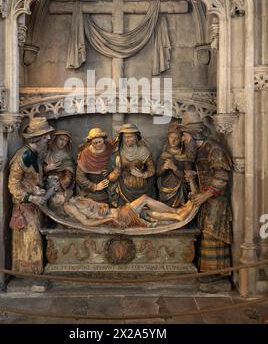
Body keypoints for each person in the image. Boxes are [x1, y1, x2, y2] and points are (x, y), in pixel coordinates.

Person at [180, 111, 233, 282]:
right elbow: (195, 170)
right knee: (204, 232)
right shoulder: (197, 150)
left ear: (195, 136)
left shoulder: (214, 149)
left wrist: (205, 195)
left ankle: (216, 273)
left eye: (185, 136)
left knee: (213, 233)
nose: (183, 140)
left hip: (216, 201)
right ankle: (207, 271)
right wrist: (194, 188)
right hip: (205, 199)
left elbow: (221, 177)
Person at [8, 117, 54, 274]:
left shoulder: (35, 154)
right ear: (37, 138)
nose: (48, 138)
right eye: (45, 135)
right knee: (29, 241)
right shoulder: (23, 156)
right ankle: (26, 273)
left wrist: (37, 188)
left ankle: (35, 272)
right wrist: (31, 196)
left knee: (36, 240)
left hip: (35, 206)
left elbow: (32, 177)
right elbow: (13, 185)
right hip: (24, 207)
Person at [63, 193, 194, 229]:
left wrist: (103, 205)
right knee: (144, 199)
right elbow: (85, 222)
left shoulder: (78, 198)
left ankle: (178, 217)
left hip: (119, 212)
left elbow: (99, 205)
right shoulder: (69, 206)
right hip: (120, 218)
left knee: (146, 212)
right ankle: (176, 211)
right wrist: (109, 219)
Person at [111, 123, 156, 205]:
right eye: (124, 137)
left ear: (136, 137)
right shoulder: (118, 152)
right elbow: (110, 177)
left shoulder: (143, 151)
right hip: (123, 188)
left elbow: (152, 169)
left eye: (130, 137)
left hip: (142, 188)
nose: (126, 140)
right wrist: (117, 171)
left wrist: (143, 175)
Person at [76, 128, 119, 203]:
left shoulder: (110, 148)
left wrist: (112, 175)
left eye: (100, 141)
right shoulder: (85, 154)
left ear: (103, 140)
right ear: (91, 143)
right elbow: (80, 177)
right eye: (95, 143)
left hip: (110, 185)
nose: (98, 144)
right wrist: (95, 186)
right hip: (91, 188)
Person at [157, 121, 191, 208]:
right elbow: (157, 173)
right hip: (164, 188)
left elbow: (187, 177)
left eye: (177, 138)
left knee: (179, 211)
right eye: (171, 137)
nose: (173, 140)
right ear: (168, 138)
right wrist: (164, 168)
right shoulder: (164, 153)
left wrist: (174, 168)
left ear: (181, 140)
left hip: (179, 190)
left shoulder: (184, 155)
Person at [44, 130, 75, 212]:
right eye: (61, 139)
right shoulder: (46, 152)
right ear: (55, 139)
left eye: (65, 141)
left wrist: (61, 183)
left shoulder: (66, 156)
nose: (63, 143)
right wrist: (47, 168)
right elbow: (38, 169)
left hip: (60, 184)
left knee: (57, 200)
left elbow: (69, 175)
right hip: (45, 181)